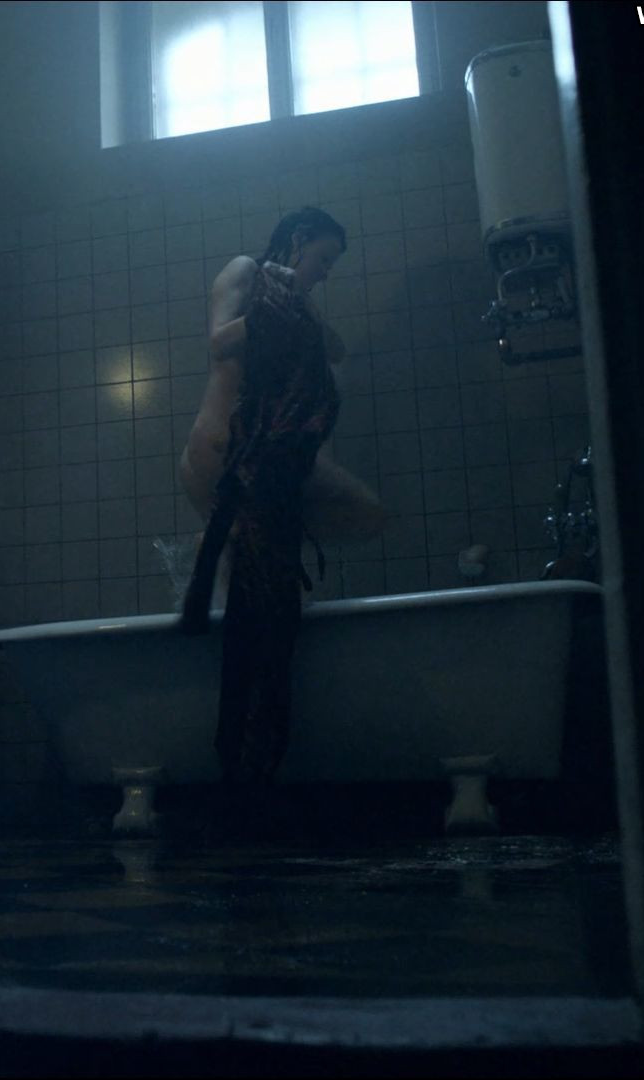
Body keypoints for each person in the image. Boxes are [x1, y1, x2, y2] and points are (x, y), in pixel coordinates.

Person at [175, 207, 388, 829]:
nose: (325, 272)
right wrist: (282, 303)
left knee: (368, 514)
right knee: (263, 619)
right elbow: (219, 341)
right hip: (226, 452)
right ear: (297, 241)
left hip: (274, 460)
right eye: (323, 258)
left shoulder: (297, 301)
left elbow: (336, 349)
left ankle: (235, 548)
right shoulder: (245, 272)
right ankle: (244, 772)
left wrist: (304, 308)